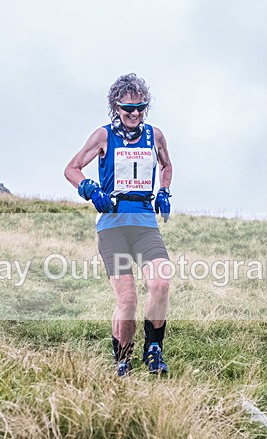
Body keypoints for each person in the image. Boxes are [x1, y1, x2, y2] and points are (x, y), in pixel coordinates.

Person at [64, 73, 174, 376]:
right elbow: (71, 169)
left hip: (144, 223)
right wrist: (89, 189)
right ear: (116, 107)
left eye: (141, 107)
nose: (135, 114)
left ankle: (153, 350)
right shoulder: (102, 136)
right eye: (128, 109)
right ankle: (122, 360)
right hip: (112, 226)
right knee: (128, 299)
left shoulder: (155, 135)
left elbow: (166, 165)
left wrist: (164, 191)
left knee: (161, 283)